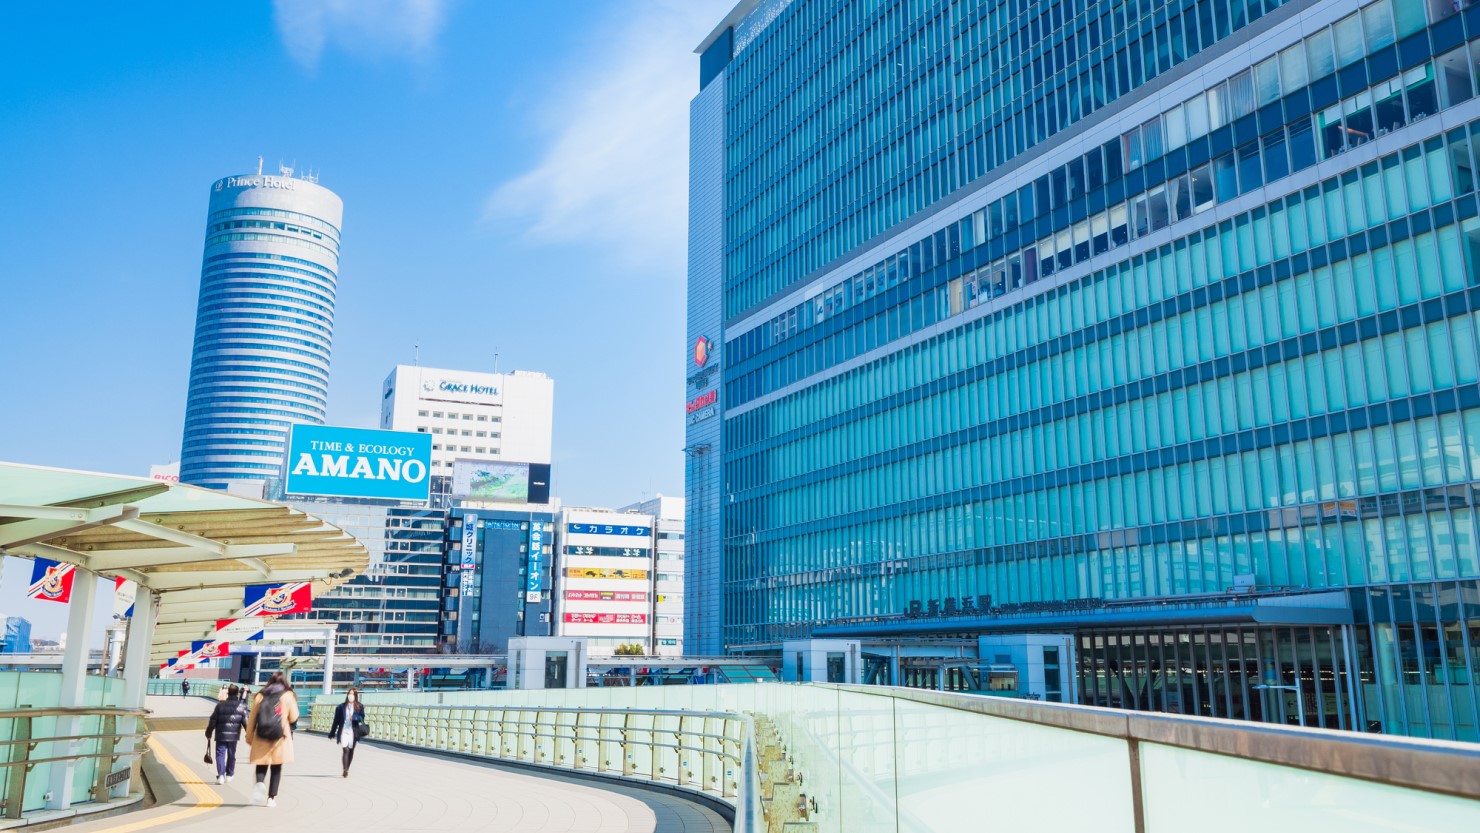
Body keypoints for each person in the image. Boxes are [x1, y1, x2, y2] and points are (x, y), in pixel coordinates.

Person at [244, 672, 298, 808]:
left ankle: (260, 784)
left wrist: (249, 737)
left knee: (261, 763)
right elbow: (293, 717)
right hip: (279, 737)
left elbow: (252, 719)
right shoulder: (287, 695)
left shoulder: (260, 695)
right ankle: (271, 798)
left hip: (261, 734)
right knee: (276, 767)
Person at [205, 685, 249, 784]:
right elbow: (246, 722)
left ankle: (221, 775)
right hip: (234, 736)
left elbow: (213, 721)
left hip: (221, 734)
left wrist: (208, 732)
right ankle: (229, 774)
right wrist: (249, 734)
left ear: (228, 693)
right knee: (231, 754)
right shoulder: (242, 706)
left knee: (220, 754)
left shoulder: (220, 706)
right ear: (237, 693)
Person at [327, 688, 366, 778]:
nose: (350, 696)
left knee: (351, 750)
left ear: (355, 695)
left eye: (352, 694)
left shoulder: (359, 706)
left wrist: (355, 717)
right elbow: (336, 721)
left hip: (353, 731)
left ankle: (347, 768)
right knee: (345, 749)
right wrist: (332, 733)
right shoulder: (341, 707)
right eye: (349, 694)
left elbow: (362, 717)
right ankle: (345, 769)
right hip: (344, 730)